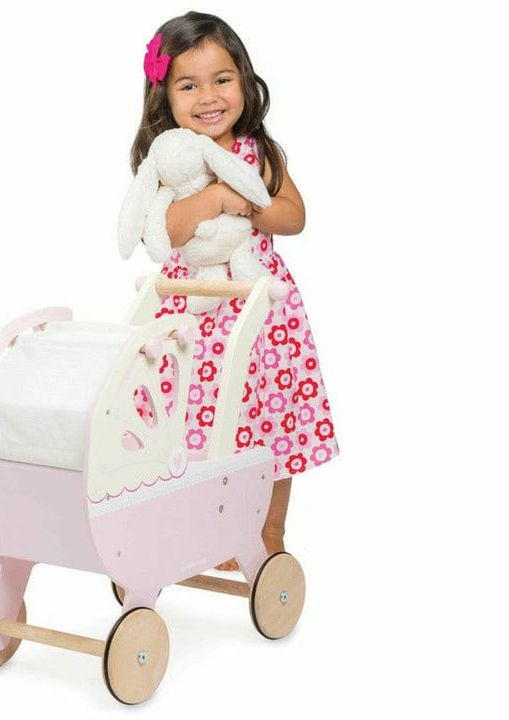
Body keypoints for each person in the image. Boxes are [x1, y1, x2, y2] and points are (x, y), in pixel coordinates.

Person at [128, 11, 338, 571]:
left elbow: (293, 216)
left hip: (262, 315)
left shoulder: (258, 150)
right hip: (192, 313)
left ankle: (269, 533)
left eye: (221, 79)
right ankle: (191, 531)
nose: (208, 97)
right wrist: (216, 198)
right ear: (164, 95)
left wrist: (248, 203)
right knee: (186, 421)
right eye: (188, 85)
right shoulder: (168, 161)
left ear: (243, 79)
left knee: (270, 418)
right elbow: (166, 232)